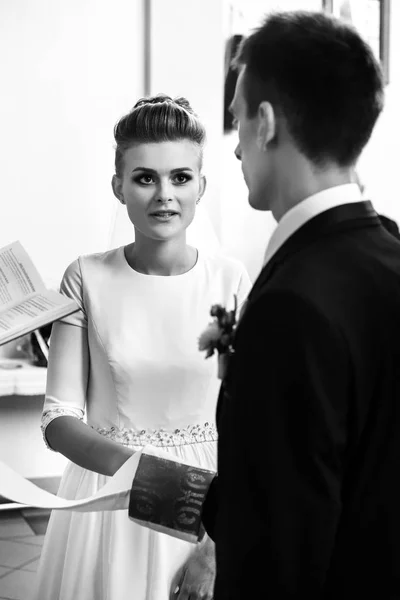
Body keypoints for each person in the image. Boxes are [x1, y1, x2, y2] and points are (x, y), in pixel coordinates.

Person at [201, 10, 400, 599]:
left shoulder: (292, 304)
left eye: (236, 119)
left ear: (265, 123)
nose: (234, 147)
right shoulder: (390, 253)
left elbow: (280, 550)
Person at [32, 94, 251, 600]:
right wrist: (144, 474)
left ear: (201, 186)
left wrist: (217, 543)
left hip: (209, 501)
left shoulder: (231, 279)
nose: (164, 196)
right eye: (145, 178)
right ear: (119, 186)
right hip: (109, 496)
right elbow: (58, 416)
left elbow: (250, 421)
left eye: (180, 177)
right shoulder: (84, 276)